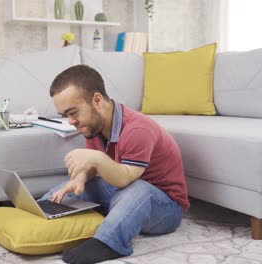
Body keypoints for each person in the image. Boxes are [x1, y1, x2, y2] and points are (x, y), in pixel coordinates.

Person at [41, 64, 190, 264]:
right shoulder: (94, 124)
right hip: (124, 192)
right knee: (64, 192)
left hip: (165, 208)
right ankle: (39, 212)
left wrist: (97, 159)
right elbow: (93, 167)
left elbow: (125, 178)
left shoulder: (138, 129)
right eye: (65, 115)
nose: (70, 122)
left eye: (73, 112)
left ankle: (108, 242)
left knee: (139, 189)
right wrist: (79, 179)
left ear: (97, 100)